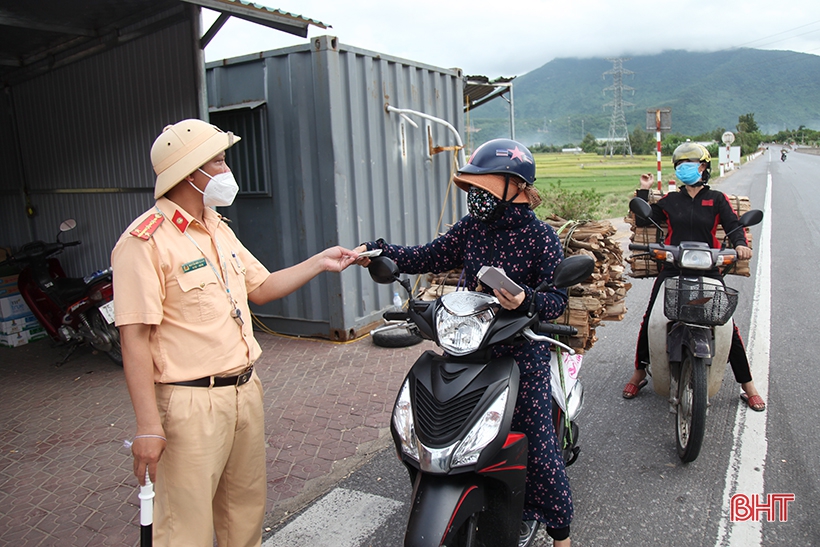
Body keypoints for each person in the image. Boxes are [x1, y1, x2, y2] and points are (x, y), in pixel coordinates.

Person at [111, 119, 359, 547]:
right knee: (184, 528)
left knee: (243, 514)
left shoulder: (218, 227)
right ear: (192, 172)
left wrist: (320, 261)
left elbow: (260, 288)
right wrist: (147, 427)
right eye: (220, 161)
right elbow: (134, 338)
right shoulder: (144, 242)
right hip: (189, 405)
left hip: (245, 391)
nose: (227, 171)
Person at [355, 139, 573, 547]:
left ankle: (561, 533)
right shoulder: (471, 229)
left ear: (516, 187)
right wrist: (382, 252)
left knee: (538, 445)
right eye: (473, 186)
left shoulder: (541, 237)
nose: (477, 196)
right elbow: (427, 256)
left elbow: (557, 302)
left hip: (521, 350)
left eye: (486, 186)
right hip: (470, 345)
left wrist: (525, 298)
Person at [622, 142, 765, 412]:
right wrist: (643, 187)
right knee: (653, 317)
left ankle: (748, 385)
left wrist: (740, 245)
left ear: (704, 168)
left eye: (692, 164)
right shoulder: (671, 200)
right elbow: (645, 219)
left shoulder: (717, 199)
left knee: (726, 324)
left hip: (708, 267)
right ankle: (639, 373)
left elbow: (733, 227)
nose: (686, 169)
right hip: (675, 265)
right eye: (681, 165)